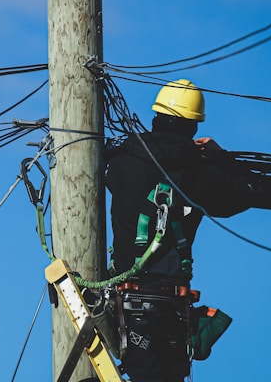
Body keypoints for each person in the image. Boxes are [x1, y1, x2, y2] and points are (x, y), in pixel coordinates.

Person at [105, 79, 254, 382]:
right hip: (171, 308)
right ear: (193, 128)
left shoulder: (121, 160)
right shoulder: (200, 171)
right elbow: (244, 192)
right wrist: (219, 155)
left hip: (127, 304)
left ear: (156, 117)